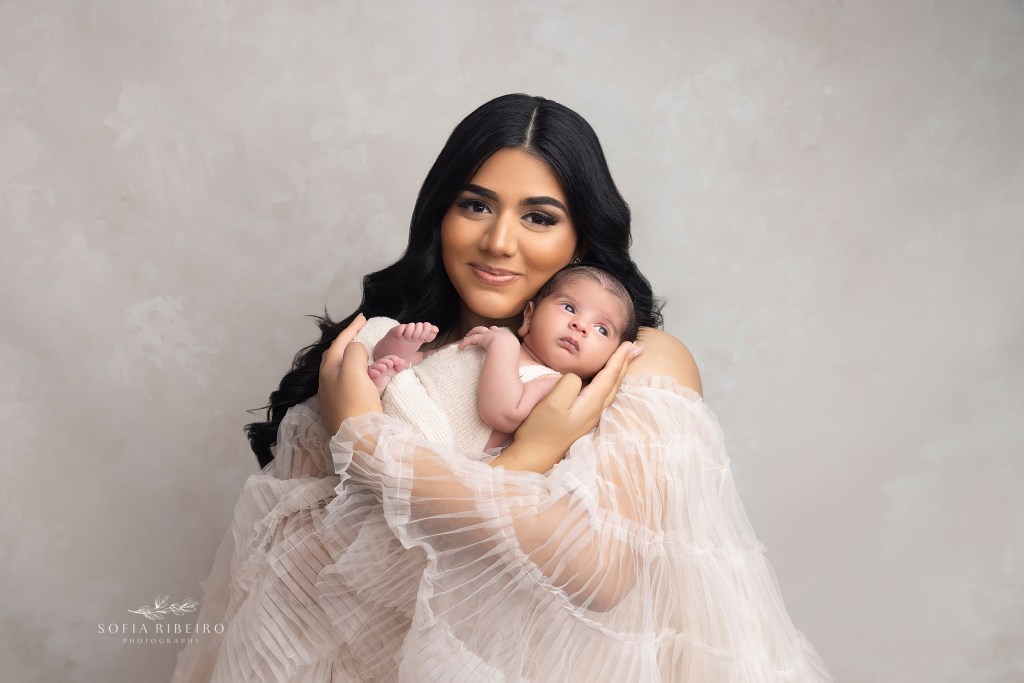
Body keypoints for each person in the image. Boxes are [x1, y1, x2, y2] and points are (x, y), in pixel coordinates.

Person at [172, 94, 833, 681]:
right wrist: (524, 458)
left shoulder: (634, 361)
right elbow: (303, 587)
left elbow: (600, 570)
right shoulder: (376, 355)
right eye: (476, 204)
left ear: (580, 239)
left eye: (539, 217)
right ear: (440, 214)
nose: (498, 240)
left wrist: (367, 444)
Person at [363, 264, 639, 451]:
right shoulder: (490, 338)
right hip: (410, 394)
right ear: (529, 316)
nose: (581, 326)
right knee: (379, 333)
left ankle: (378, 392)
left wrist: (503, 347)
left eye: (601, 329)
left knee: (382, 383)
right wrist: (402, 350)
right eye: (569, 308)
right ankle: (379, 384)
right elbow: (428, 362)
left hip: (435, 441)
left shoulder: (556, 383)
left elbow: (503, 414)